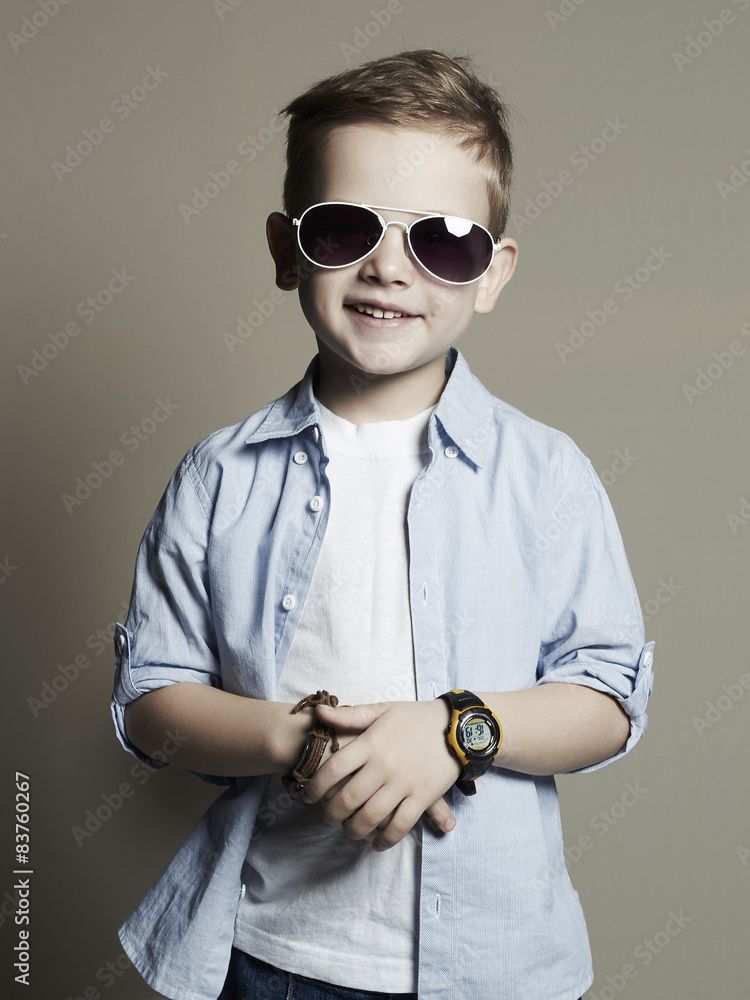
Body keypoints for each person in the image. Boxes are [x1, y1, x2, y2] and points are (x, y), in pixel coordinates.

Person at [111, 49, 654, 1000]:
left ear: (491, 273)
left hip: (495, 968)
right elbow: (153, 698)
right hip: (266, 956)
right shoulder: (219, 475)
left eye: (442, 240)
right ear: (286, 250)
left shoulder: (547, 475)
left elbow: (609, 696)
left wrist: (456, 733)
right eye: (346, 227)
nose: (388, 266)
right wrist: (299, 740)